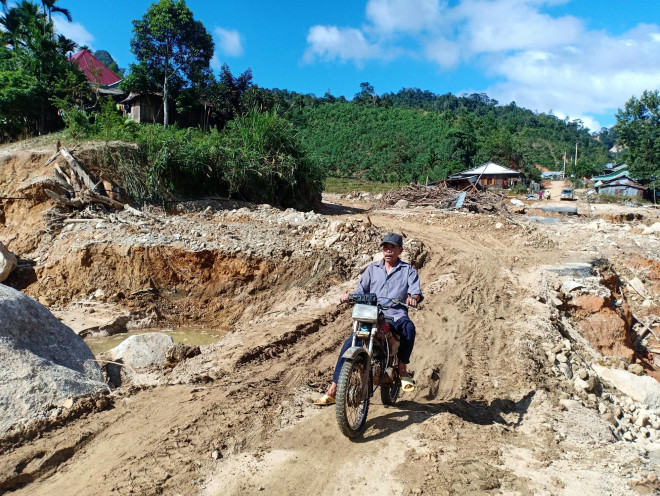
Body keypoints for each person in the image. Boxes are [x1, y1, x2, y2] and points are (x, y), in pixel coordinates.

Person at [315, 233, 423, 406]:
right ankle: (334, 388)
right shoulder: (372, 268)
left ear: (400, 250)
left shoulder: (408, 270)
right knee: (350, 342)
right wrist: (349, 296)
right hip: (372, 313)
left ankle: (403, 369)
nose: (388, 251)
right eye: (385, 247)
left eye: (392, 247)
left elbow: (415, 290)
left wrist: (413, 298)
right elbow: (361, 289)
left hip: (395, 314)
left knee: (409, 328)